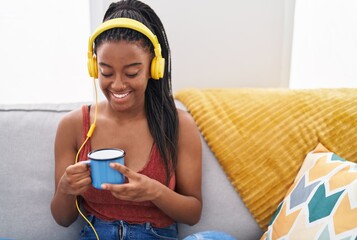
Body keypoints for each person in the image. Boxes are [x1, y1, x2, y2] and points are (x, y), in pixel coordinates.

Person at [50, 0, 236, 239]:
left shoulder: (179, 125)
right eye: (106, 72)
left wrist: (153, 191)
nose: (117, 84)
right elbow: (62, 218)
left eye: (132, 73)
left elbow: (192, 213)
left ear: (154, 68)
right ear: (94, 68)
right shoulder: (73, 126)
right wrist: (66, 189)